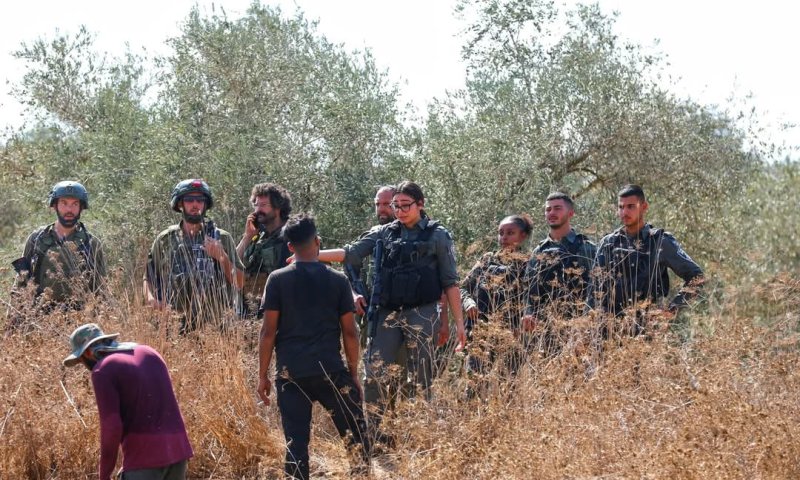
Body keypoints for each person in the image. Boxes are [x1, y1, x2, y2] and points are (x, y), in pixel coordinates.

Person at [314, 181, 467, 441]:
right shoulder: (384, 232)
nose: (399, 211)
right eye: (396, 206)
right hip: (387, 314)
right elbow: (351, 253)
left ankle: (417, 436)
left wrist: (458, 324)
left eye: (405, 205)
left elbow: (450, 282)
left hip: (422, 312)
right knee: (374, 372)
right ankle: (372, 435)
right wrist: (311, 255)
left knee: (420, 377)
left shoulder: (438, 235)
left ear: (421, 204)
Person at [257, 214, 370, 479]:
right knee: (356, 441)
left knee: (296, 446)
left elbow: (267, 332)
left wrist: (263, 375)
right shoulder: (339, 280)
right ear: (318, 242)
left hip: (291, 374)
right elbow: (350, 334)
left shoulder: (277, 279)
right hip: (331, 370)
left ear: (289, 247)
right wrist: (353, 373)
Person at [63, 323, 193, 480]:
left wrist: (104, 474)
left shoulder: (103, 370)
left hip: (144, 461)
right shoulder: (150, 352)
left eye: (81, 360)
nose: (84, 366)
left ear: (89, 353)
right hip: (178, 453)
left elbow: (112, 427)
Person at [587, 184, 704, 334]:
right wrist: (587, 328)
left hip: (646, 332)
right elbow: (593, 287)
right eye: (621, 207)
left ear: (644, 207)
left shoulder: (659, 242)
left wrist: (672, 309)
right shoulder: (608, 243)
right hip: (608, 333)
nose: (625, 212)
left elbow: (697, 276)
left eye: (630, 207)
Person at [144, 179, 244, 334]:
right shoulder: (165, 239)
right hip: (172, 328)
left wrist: (222, 257)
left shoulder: (222, 238)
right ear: (180, 204)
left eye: (200, 200)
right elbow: (148, 276)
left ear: (206, 204)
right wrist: (151, 299)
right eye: (189, 200)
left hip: (214, 330)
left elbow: (240, 282)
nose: (195, 204)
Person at [11, 180, 106, 311]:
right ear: (54, 205)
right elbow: (21, 283)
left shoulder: (91, 243)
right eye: (64, 203)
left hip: (80, 319)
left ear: (81, 207)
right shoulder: (36, 239)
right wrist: (13, 319)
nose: (69, 209)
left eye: (75, 204)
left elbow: (101, 290)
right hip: (41, 319)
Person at [460, 215, 532, 380]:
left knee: (509, 386)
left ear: (523, 236)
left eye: (510, 233)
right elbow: (463, 287)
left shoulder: (529, 263)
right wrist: (468, 302)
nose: (504, 237)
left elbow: (532, 298)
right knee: (474, 384)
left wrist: (521, 326)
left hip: (511, 335)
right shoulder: (487, 259)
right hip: (480, 332)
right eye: (501, 233)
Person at [521, 192, 596, 350]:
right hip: (545, 333)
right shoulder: (538, 251)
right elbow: (529, 289)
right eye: (548, 210)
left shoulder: (587, 248)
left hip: (579, 331)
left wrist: (586, 325)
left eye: (557, 208)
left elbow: (597, 288)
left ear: (570, 213)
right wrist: (528, 313)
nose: (552, 213)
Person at [236, 182, 292, 317]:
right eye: (256, 205)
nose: (257, 210)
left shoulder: (292, 234)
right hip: (250, 311)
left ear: (277, 207)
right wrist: (247, 237)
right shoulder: (256, 236)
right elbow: (233, 263)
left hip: (280, 311)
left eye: (263, 205)